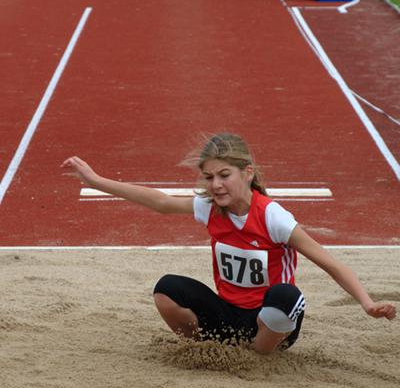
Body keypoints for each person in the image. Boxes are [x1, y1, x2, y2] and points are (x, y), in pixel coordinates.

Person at [62, 133, 396, 354]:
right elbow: (160, 202)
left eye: (224, 175)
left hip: (271, 324)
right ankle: (206, 350)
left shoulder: (272, 217)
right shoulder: (210, 206)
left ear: (247, 173)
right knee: (166, 289)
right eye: (209, 178)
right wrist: (97, 181)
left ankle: (256, 358)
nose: (216, 185)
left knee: (287, 296)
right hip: (228, 316)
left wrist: (366, 303)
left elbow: (330, 263)